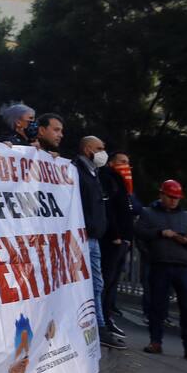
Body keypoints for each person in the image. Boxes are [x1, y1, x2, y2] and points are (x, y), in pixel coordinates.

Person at [135, 180, 187, 363]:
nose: (173, 201)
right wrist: (160, 234)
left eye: (176, 198)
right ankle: (155, 341)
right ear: (162, 195)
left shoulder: (186, 218)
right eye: (170, 197)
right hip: (160, 265)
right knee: (158, 306)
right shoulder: (149, 213)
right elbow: (139, 232)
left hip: (184, 267)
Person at [72, 136, 125, 350]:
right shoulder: (76, 170)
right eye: (99, 148)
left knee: (97, 283)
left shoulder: (94, 173)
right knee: (94, 283)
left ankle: (98, 325)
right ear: (87, 149)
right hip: (82, 237)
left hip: (93, 237)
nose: (103, 152)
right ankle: (98, 326)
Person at [99, 151, 136, 340]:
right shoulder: (108, 179)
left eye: (128, 162)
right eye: (122, 162)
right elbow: (109, 208)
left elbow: (132, 208)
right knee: (105, 282)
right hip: (113, 240)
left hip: (123, 240)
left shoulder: (124, 183)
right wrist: (115, 234)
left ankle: (107, 317)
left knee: (112, 283)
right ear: (111, 163)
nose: (126, 165)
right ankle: (101, 321)